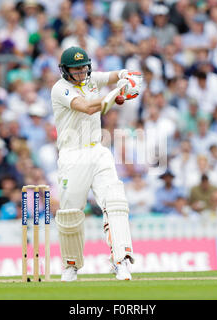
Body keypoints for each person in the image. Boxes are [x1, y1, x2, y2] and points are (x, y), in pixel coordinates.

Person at [51, 46, 141, 281]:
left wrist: (124, 76)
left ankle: (121, 261)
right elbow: (87, 106)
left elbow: (112, 76)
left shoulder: (91, 79)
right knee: (70, 213)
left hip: (97, 150)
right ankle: (71, 265)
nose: (81, 74)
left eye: (84, 68)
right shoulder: (61, 89)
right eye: (75, 70)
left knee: (115, 202)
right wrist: (114, 95)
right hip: (73, 154)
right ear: (65, 71)